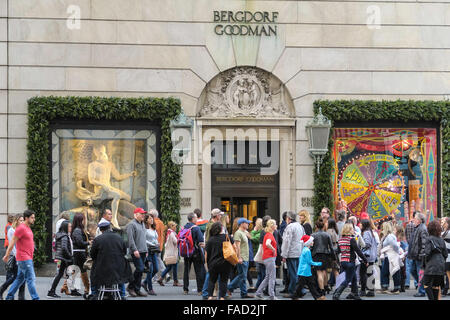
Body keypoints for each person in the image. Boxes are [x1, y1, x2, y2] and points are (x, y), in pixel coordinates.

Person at [90, 221, 132, 300]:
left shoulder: (98, 239)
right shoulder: (119, 238)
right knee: (120, 275)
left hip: (102, 270)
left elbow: (92, 255)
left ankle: (94, 293)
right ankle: (122, 294)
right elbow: (124, 252)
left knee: (93, 273)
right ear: (110, 228)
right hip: (118, 268)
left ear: (101, 230)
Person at [2, 210, 40, 300]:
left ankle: (9, 297)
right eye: (32, 217)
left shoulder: (28, 228)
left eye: (34, 217)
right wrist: (7, 255)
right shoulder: (21, 228)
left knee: (19, 279)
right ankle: (36, 298)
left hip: (27, 257)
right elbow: (12, 242)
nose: (34, 219)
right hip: (23, 258)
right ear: (26, 218)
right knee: (31, 279)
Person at [333, 223, 368, 300]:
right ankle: (336, 294)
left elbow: (338, 251)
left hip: (343, 262)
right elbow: (358, 251)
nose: (353, 230)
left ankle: (355, 294)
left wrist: (338, 261)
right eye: (352, 228)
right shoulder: (351, 240)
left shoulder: (340, 240)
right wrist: (365, 260)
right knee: (347, 279)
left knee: (354, 278)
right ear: (349, 230)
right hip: (350, 262)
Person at [227, 218, 254, 299]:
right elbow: (237, 247)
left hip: (245, 257)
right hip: (242, 258)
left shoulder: (243, 232)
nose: (248, 224)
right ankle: (229, 288)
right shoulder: (238, 233)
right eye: (247, 223)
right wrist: (239, 258)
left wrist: (246, 232)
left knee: (242, 276)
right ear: (242, 224)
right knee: (242, 276)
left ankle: (243, 293)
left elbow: (251, 237)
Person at [205, 222, 234, 300]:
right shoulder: (227, 237)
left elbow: (206, 254)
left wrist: (207, 264)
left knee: (212, 280)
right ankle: (222, 297)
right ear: (222, 228)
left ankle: (210, 296)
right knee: (223, 280)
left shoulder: (211, 240)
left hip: (213, 263)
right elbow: (234, 248)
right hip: (225, 263)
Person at [0, 214, 26, 300]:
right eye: (21, 220)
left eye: (23, 220)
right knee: (15, 277)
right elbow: (12, 246)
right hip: (17, 257)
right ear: (16, 221)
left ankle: (21, 296)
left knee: (22, 277)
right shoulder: (11, 231)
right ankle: (2, 289)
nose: (22, 222)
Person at [292, 235, 326, 300]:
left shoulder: (305, 249)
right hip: (305, 271)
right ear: (308, 242)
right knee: (306, 285)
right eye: (312, 241)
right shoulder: (307, 251)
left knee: (308, 285)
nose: (313, 242)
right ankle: (317, 297)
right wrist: (319, 263)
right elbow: (309, 262)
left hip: (304, 271)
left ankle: (317, 297)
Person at [281, 211, 305, 298]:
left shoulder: (290, 227)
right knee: (298, 273)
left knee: (292, 273)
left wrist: (284, 255)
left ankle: (292, 291)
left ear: (288, 218)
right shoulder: (300, 226)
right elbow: (304, 239)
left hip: (291, 253)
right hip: (299, 252)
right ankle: (300, 290)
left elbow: (287, 242)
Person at [202, 208, 224, 299]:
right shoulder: (213, 225)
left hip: (211, 249)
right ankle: (205, 292)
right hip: (212, 250)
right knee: (211, 273)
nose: (221, 216)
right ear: (217, 216)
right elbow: (209, 239)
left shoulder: (211, 223)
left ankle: (216, 293)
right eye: (220, 215)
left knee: (213, 273)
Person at [47, 220, 73, 298]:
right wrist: (70, 256)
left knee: (61, 274)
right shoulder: (65, 236)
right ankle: (68, 288)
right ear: (65, 227)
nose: (71, 228)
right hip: (65, 258)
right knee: (68, 273)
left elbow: (55, 247)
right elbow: (64, 248)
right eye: (69, 226)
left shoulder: (60, 235)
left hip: (62, 257)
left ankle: (52, 290)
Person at [182, 212, 206, 295]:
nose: (197, 219)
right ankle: (200, 290)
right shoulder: (196, 228)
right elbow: (200, 240)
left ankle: (185, 289)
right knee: (198, 271)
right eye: (195, 218)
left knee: (186, 270)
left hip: (186, 252)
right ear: (192, 219)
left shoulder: (184, 227)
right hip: (195, 252)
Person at [422, 220, 448, 300]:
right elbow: (445, 254)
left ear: (429, 229)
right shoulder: (441, 240)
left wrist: (425, 262)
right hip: (440, 265)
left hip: (431, 266)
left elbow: (427, 253)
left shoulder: (428, 239)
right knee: (436, 286)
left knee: (426, 283)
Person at [126, 207, 148, 297]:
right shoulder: (131, 225)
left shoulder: (142, 224)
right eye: (141, 214)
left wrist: (146, 250)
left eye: (143, 214)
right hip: (136, 251)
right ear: (135, 215)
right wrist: (134, 250)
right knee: (140, 268)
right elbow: (130, 240)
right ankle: (130, 287)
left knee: (141, 270)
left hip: (143, 251)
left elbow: (144, 238)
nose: (143, 215)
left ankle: (137, 289)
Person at [311, 218, 336, 296]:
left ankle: (321, 290)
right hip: (325, 255)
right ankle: (325, 286)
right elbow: (331, 247)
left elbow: (311, 247)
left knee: (319, 273)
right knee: (324, 271)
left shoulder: (313, 235)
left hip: (316, 255)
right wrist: (334, 257)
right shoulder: (327, 234)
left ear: (316, 226)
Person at [255, 219, 278, 300]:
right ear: (272, 226)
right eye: (275, 224)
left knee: (268, 276)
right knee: (272, 277)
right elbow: (268, 243)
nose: (276, 226)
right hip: (270, 257)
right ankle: (271, 295)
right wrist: (273, 249)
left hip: (267, 258)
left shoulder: (267, 234)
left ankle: (258, 292)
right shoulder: (269, 235)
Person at [71, 212, 92, 298]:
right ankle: (87, 288)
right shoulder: (77, 230)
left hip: (78, 252)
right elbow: (80, 242)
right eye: (83, 219)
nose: (84, 221)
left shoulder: (77, 230)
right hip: (79, 253)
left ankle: (70, 288)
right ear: (80, 220)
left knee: (77, 271)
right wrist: (88, 242)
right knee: (82, 271)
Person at [407, 211, 428, 297]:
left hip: (419, 256)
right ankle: (422, 286)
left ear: (419, 220)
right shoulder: (418, 228)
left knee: (420, 273)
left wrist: (422, 255)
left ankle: (422, 290)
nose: (413, 220)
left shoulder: (422, 228)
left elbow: (424, 243)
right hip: (415, 255)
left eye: (415, 219)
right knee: (412, 270)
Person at [378, 222, 402, 294]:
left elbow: (395, 245)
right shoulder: (387, 236)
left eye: (382, 227)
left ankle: (396, 288)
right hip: (387, 256)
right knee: (385, 272)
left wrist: (396, 253)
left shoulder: (390, 236)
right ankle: (386, 287)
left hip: (391, 256)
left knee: (394, 271)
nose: (381, 229)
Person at [158, 221, 182, 287]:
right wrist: (180, 239)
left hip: (170, 252)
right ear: (172, 227)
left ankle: (161, 278)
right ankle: (175, 281)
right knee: (174, 266)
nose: (176, 227)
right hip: (173, 253)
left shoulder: (169, 232)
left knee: (169, 267)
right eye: (175, 226)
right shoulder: (172, 233)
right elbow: (176, 241)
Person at [141, 214, 159, 296]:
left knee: (156, 269)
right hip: (148, 250)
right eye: (150, 218)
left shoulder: (153, 228)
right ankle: (150, 289)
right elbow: (144, 240)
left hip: (154, 251)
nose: (152, 220)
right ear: (146, 220)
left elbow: (155, 238)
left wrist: (156, 243)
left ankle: (144, 282)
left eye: (152, 218)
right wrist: (152, 244)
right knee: (150, 270)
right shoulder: (145, 229)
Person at [360, 219, 378, 297]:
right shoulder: (370, 232)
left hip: (366, 256)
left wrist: (361, 248)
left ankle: (363, 290)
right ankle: (371, 290)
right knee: (369, 273)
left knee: (363, 273)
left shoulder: (366, 233)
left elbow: (367, 244)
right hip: (371, 256)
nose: (359, 225)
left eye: (361, 224)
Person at [148, 209, 165, 283]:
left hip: (153, 246)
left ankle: (163, 274)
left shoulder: (153, 223)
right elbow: (162, 235)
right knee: (157, 260)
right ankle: (163, 274)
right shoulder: (161, 223)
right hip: (159, 245)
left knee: (154, 261)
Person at [326, 218, 340, 290]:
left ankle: (326, 286)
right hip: (335, 253)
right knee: (335, 270)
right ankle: (338, 286)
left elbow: (330, 243)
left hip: (329, 253)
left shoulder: (329, 231)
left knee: (325, 270)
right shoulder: (335, 231)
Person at [441, 217, 450, 296]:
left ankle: (446, 289)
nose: (442, 223)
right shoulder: (445, 232)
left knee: (448, 274)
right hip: (446, 256)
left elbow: (440, 236)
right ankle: (446, 289)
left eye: (443, 222)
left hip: (448, 256)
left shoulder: (448, 232)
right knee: (447, 274)